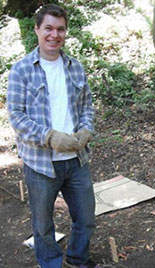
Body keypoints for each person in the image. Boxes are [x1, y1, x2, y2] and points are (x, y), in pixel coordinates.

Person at [7, 4, 100, 268]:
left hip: (76, 160)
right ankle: (50, 264)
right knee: (43, 225)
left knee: (86, 219)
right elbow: (16, 116)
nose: (54, 34)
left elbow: (86, 107)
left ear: (65, 32)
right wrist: (49, 137)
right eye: (48, 28)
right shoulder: (22, 70)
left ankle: (77, 259)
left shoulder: (75, 67)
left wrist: (86, 129)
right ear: (37, 29)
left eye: (60, 29)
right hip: (40, 164)